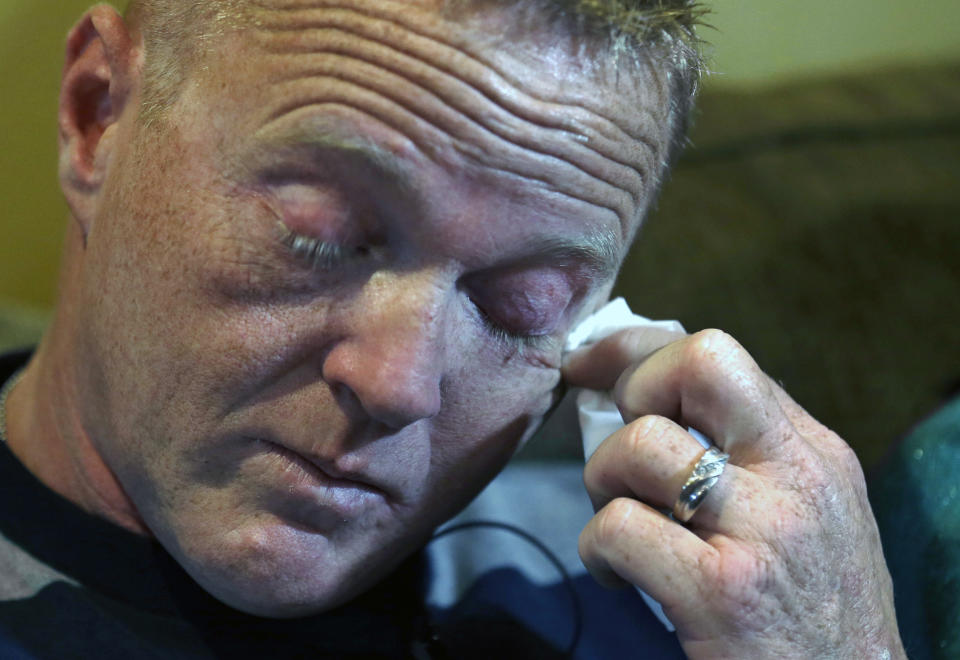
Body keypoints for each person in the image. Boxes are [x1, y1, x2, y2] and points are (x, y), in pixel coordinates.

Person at [0, 0, 906, 657]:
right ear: (97, 116)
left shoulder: (677, 594)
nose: (401, 383)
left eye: (524, 306)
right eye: (321, 236)